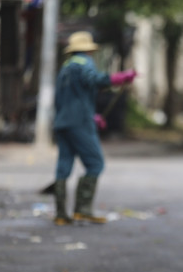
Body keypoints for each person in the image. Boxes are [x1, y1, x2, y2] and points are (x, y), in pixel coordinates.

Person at [53, 31, 136, 225]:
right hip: (79, 123)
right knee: (95, 163)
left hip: (62, 122)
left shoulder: (65, 67)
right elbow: (94, 80)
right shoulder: (85, 63)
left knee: (64, 166)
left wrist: (92, 116)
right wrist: (118, 78)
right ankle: (82, 209)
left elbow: (66, 98)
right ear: (88, 50)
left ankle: (60, 214)